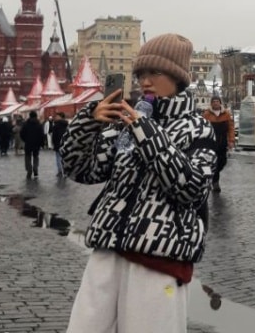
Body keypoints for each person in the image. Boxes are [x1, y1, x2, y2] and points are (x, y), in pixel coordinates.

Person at [60, 33, 216, 333]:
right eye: (141, 74)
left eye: (154, 72)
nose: (145, 81)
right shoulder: (126, 121)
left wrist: (146, 131)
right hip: (107, 251)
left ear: (177, 77)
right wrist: (88, 122)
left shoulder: (197, 127)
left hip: (158, 259)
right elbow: (80, 170)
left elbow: (191, 189)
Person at [203, 97, 236, 191]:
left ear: (220, 103)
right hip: (211, 143)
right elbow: (202, 128)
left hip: (222, 142)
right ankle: (215, 182)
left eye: (217, 101)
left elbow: (231, 128)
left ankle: (213, 176)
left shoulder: (226, 114)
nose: (215, 103)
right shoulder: (206, 114)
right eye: (213, 102)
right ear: (211, 103)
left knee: (223, 161)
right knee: (214, 162)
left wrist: (231, 140)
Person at [20, 111, 43, 179]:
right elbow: (41, 135)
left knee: (27, 157)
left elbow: (22, 133)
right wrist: (41, 143)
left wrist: (25, 140)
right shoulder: (39, 124)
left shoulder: (26, 124)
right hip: (37, 144)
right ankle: (35, 168)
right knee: (36, 157)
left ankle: (29, 169)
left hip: (28, 143)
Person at [51, 112, 69, 177]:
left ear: (61, 117)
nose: (55, 117)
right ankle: (65, 171)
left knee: (58, 158)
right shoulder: (67, 124)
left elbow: (54, 136)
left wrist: (53, 143)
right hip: (65, 143)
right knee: (65, 158)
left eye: (57, 116)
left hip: (58, 144)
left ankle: (60, 171)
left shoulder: (56, 125)